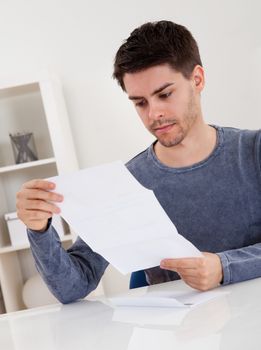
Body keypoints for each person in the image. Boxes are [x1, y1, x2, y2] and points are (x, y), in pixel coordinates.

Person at [16, 20, 261, 304]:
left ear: (197, 80)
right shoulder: (127, 182)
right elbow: (73, 286)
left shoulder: (252, 152)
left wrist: (223, 267)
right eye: (140, 103)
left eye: (165, 94)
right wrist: (39, 229)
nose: (153, 113)